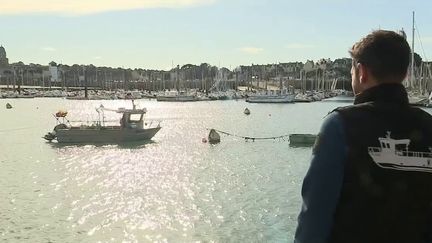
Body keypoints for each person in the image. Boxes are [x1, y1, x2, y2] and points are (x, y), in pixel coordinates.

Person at [294, 30, 432, 243]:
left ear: (361, 72)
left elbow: (314, 217)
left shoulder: (339, 126)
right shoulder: (429, 126)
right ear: (404, 74)